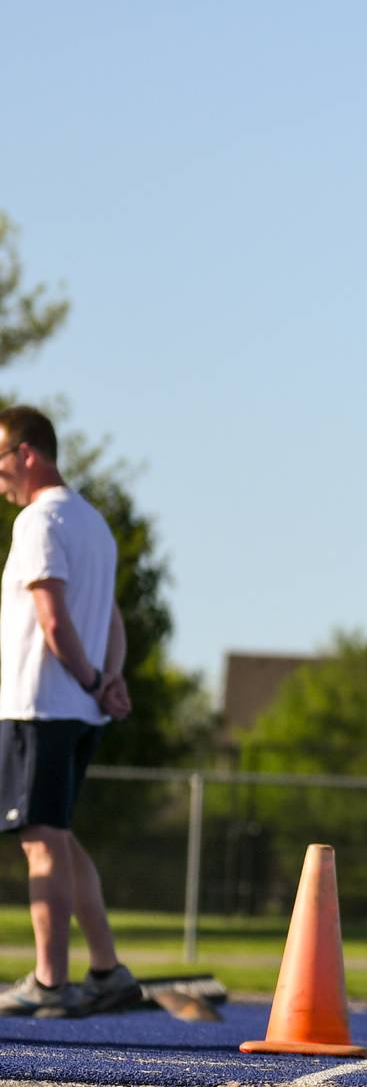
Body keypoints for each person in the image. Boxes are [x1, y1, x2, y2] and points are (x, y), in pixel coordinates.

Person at [0, 406, 141, 1018]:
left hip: (42, 704)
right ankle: (107, 969)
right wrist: (109, 682)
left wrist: (89, 680)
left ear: (27, 454)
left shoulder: (40, 521)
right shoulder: (93, 525)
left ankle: (49, 982)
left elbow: (54, 620)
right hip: (77, 710)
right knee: (57, 833)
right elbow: (111, 620)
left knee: (42, 841)